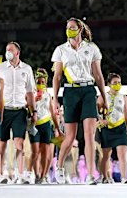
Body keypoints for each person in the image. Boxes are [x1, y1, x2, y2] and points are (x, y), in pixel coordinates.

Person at [51, 17, 107, 185]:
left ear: (80, 29)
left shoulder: (92, 48)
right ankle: (59, 166)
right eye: (68, 27)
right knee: (70, 136)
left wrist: (104, 96)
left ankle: (91, 174)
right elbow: (57, 76)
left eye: (73, 27)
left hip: (88, 90)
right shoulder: (61, 50)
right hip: (70, 91)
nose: (69, 30)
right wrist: (55, 99)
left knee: (89, 134)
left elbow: (98, 75)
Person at [0, 41, 36, 184]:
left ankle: (20, 174)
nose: (8, 53)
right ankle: (0, 174)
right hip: (3, 110)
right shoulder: (0, 68)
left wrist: (34, 111)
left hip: (20, 111)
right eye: (6, 50)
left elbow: (30, 92)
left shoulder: (27, 69)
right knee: (1, 144)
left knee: (19, 143)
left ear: (17, 53)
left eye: (10, 50)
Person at [98, 73, 127, 183]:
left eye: (119, 82)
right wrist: (101, 120)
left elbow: (126, 115)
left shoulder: (123, 97)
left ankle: (124, 177)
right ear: (109, 84)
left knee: (122, 154)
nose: (117, 85)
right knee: (106, 155)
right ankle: (105, 176)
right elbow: (96, 111)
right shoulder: (103, 96)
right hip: (107, 127)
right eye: (115, 83)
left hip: (121, 127)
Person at [28, 68, 60, 184]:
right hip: (34, 125)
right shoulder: (30, 93)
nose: (40, 84)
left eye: (42, 82)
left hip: (46, 124)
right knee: (35, 151)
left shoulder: (48, 94)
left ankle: (43, 176)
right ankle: (36, 174)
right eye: (38, 82)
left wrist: (57, 128)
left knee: (46, 152)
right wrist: (33, 101)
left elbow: (52, 112)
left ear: (46, 82)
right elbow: (25, 106)